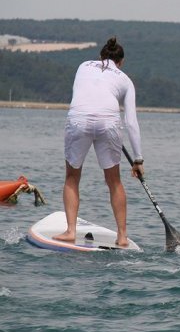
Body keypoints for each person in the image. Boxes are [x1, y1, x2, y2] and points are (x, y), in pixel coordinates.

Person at [54, 37, 144, 246]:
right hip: (109, 122)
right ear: (120, 62)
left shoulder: (83, 66)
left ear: (101, 56)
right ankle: (122, 236)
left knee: (72, 177)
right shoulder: (125, 79)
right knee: (114, 181)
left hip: (79, 119)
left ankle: (70, 231)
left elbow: (84, 93)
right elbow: (131, 122)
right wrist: (138, 159)